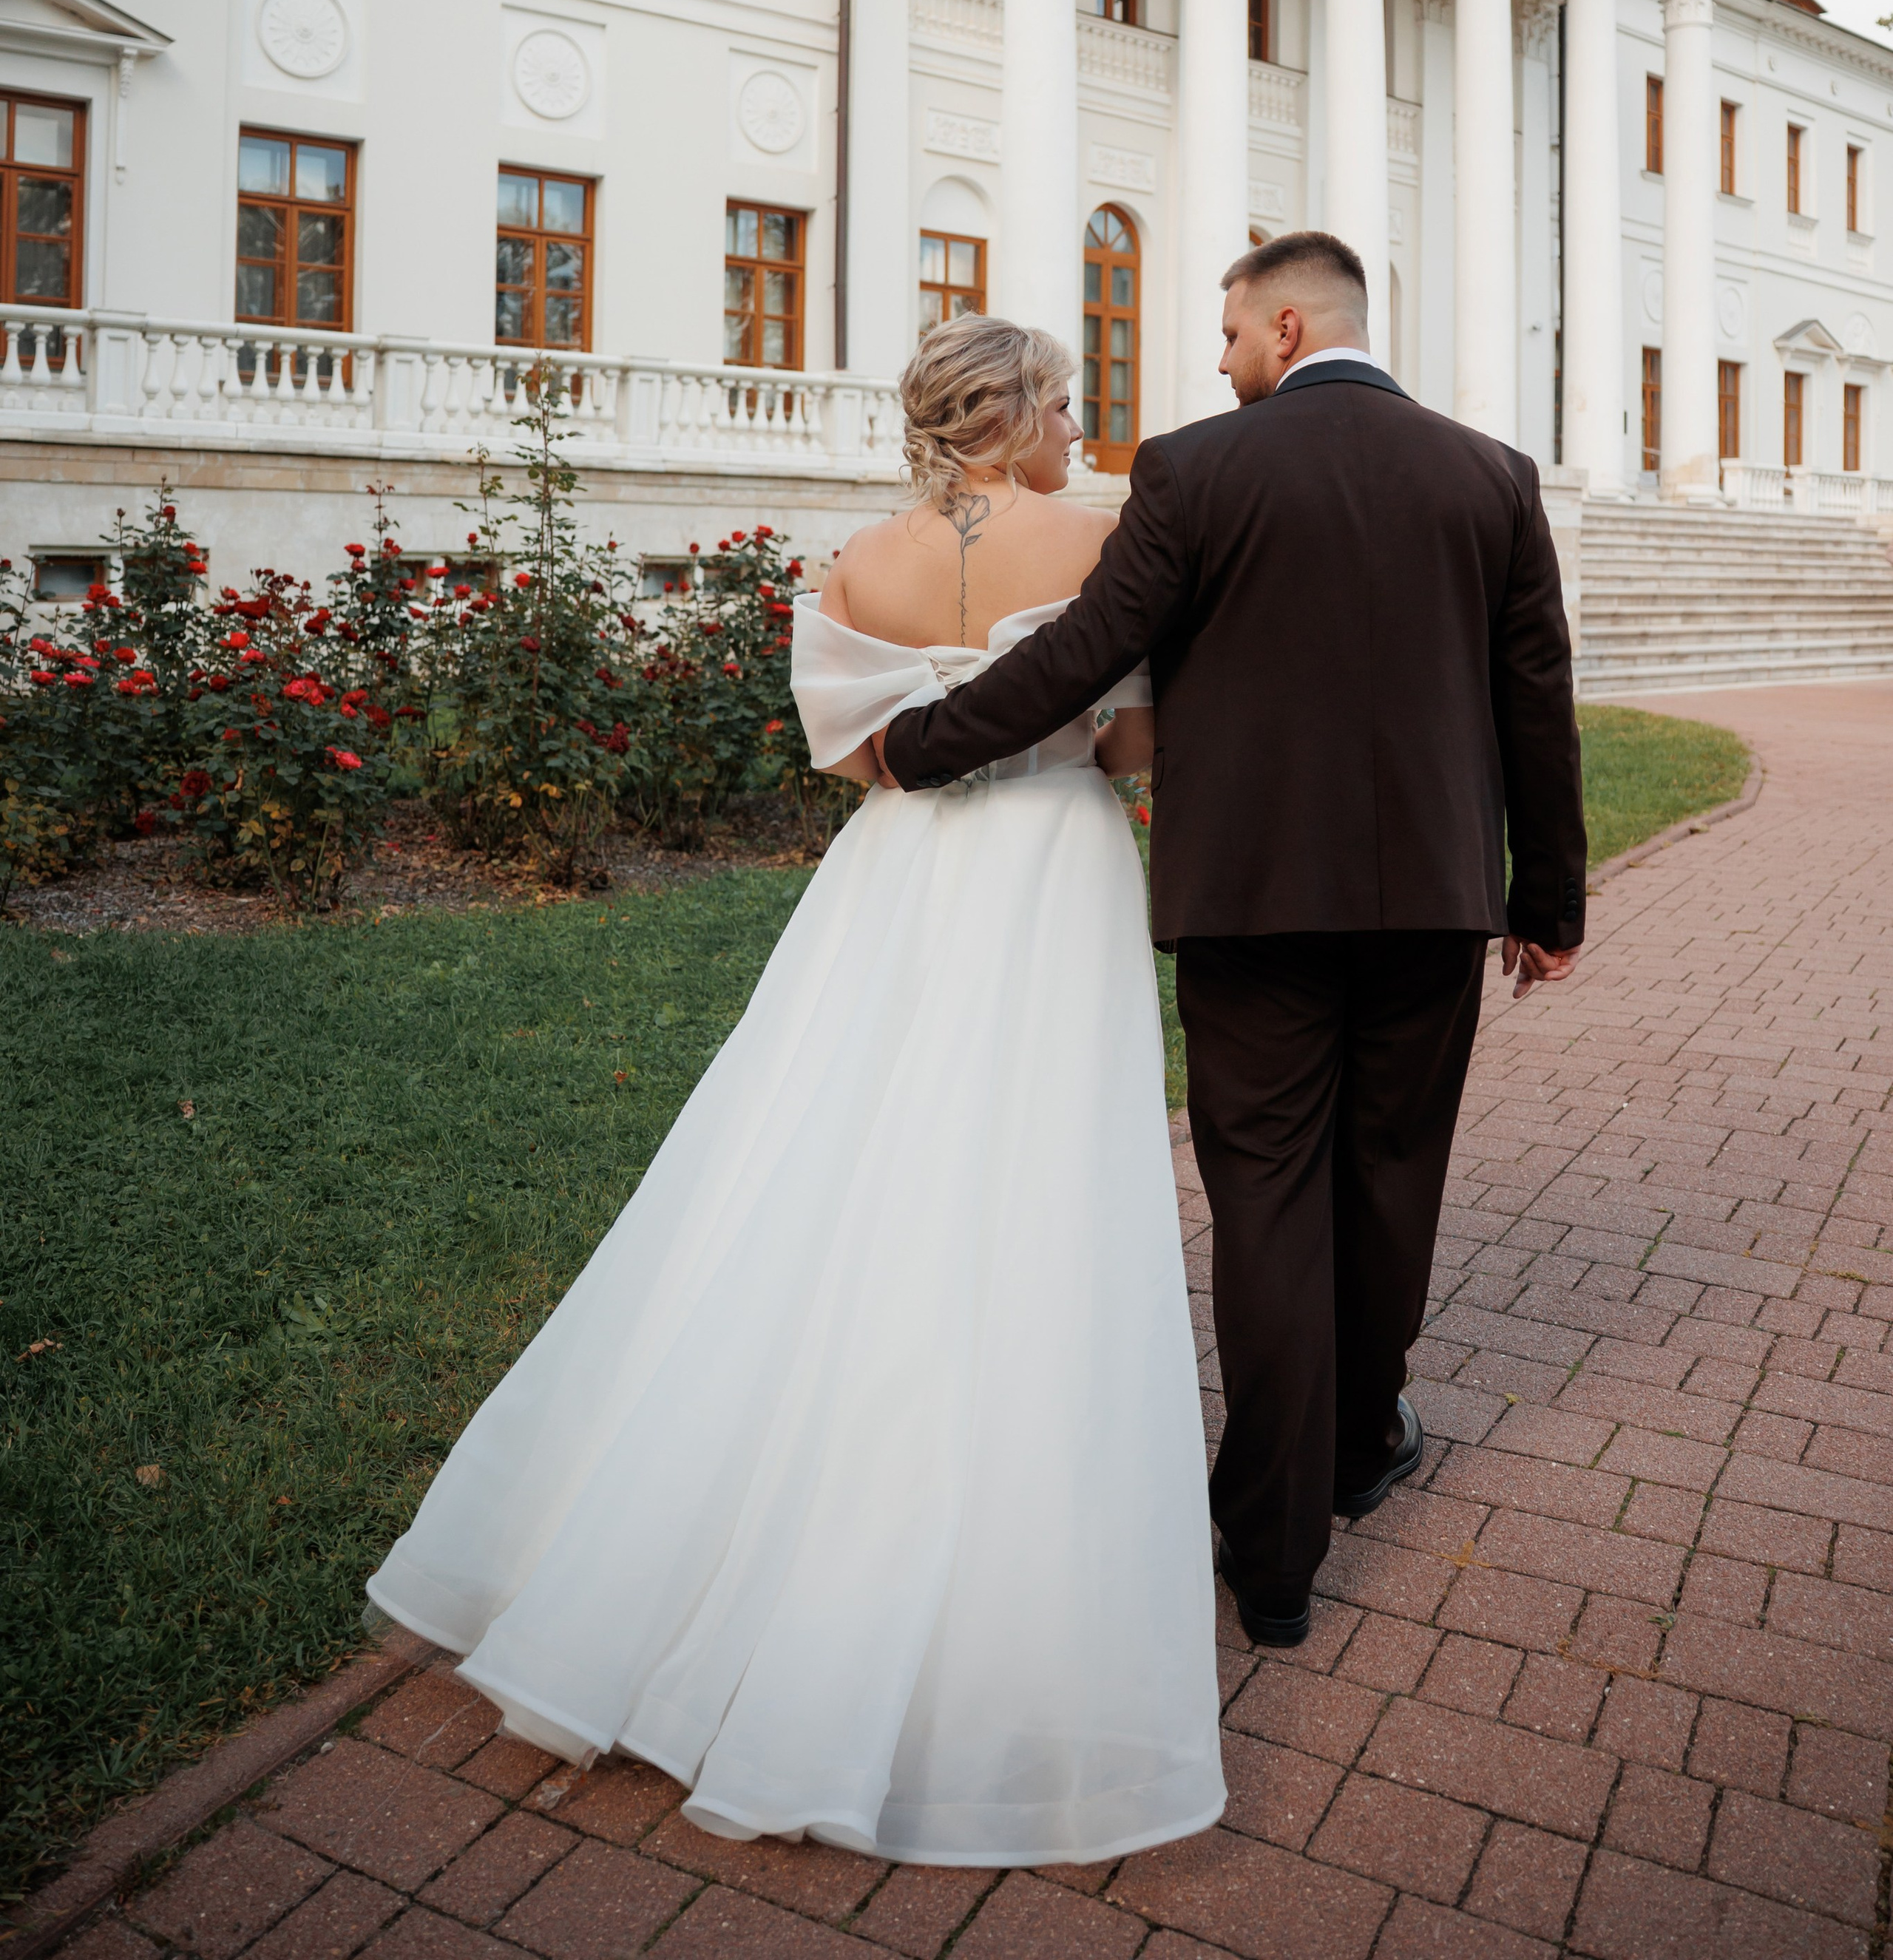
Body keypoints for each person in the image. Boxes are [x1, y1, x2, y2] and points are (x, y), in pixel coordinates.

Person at [367, 313, 1225, 1866]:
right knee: (1022, 1169)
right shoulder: (1094, 539)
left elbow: (856, 761)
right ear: (1018, 409)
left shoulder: (858, 559)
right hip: (1044, 874)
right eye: (1063, 402)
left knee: (825, 1144)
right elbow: (1123, 751)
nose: (1076, 429)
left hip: (892, 878)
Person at [878, 231, 1587, 1646]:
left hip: (1251, 902)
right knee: (1391, 1174)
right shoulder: (1492, 476)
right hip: (1436, 903)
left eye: (1222, 337)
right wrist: (1549, 902)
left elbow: (1083, 651)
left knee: (1265, 1197)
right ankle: (1360, 1444)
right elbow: (1536, 699)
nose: (1213, 363)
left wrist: (923, 744)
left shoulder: (1195, 471)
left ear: (1281, 324)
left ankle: (1269, 1556)